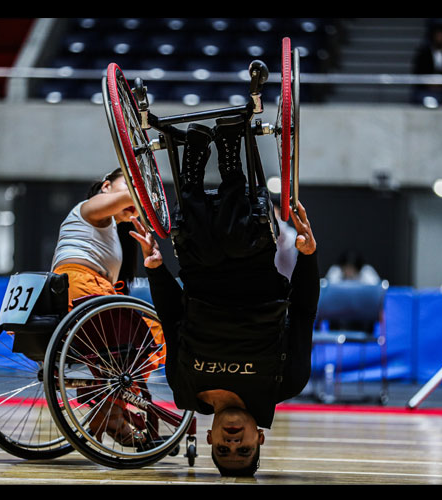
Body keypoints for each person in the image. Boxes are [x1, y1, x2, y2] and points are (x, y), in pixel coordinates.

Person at [129, 117, 319, 477]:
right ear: (259, 439)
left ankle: (197, 159)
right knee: (232, 238)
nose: (233, 441)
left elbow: (171, 320)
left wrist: (155, 268)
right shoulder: (287, 382)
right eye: (243, 449)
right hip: (254, 270)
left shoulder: (186, 391)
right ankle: (230, 162)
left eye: (225, 448)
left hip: (200, 278)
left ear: (210, 439)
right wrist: (309, 257)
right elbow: (305, 311)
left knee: (194, 239)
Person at [50, 168, 152, 446]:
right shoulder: (90, 208)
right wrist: (145, 188)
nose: (131, 196)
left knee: (134, 345)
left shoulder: (111, 229)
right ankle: (109, 412)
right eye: (126, 185)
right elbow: (134, 195)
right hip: (81, 290)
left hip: (86, 294)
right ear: (106, 186)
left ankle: (110, 411)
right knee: (153, 333)